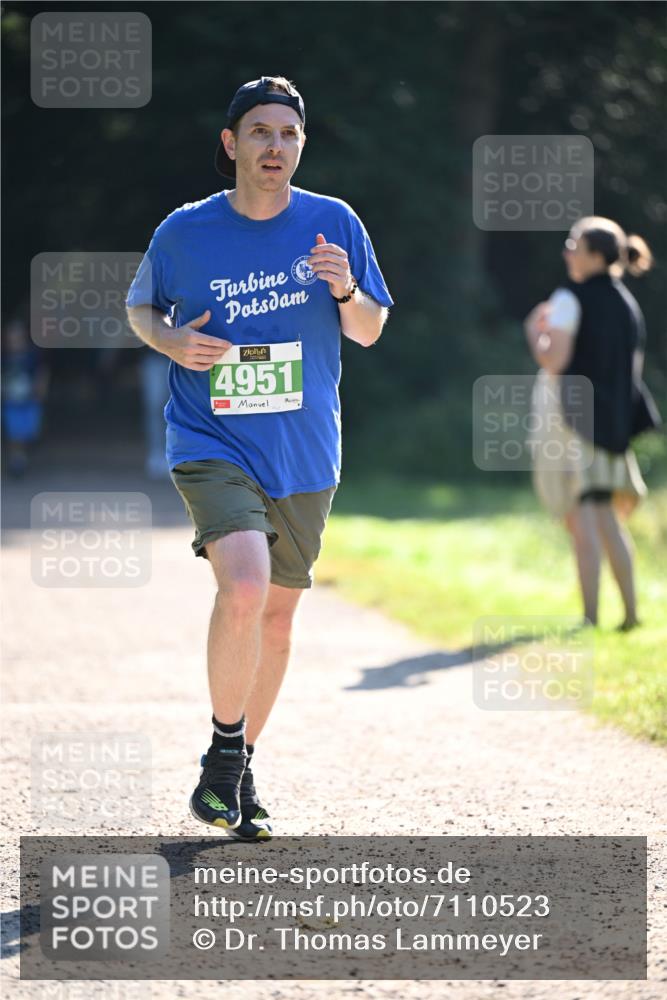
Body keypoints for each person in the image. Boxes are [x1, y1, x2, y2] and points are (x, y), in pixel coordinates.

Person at [126, 76, 393, 839]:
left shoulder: (332, 222)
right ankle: (222, 754)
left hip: (303, 450)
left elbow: (369, 329)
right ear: (231, 143)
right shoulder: (185, 230)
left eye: (288, 133)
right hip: (210, 437)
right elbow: (141, 307)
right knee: (243, 586)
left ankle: (236, 769)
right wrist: (170, 339)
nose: (275, 146)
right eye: (260, 132)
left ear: (300, 145)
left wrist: (344, 290)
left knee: (275, 619)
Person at [525, 216, 658, 630]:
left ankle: (589, 618)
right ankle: (630, 615)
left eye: (574, 245)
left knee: (583, 518)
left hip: (572, 423)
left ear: (596, 256)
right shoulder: (627, 304)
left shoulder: (569, 298)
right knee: (605, 518)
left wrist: (533, 333)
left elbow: (555, 360)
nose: (567, 251)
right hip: (612, 425)